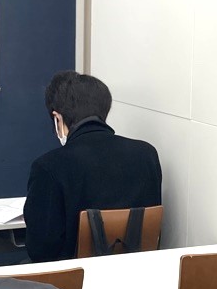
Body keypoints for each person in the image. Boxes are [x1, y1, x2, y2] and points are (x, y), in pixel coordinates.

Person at [23, 71, 162, 262]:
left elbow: (40, 249)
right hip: (139, 271)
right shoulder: (146, 155)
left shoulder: (49, 167)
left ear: (57, 118)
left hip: (70, 278)